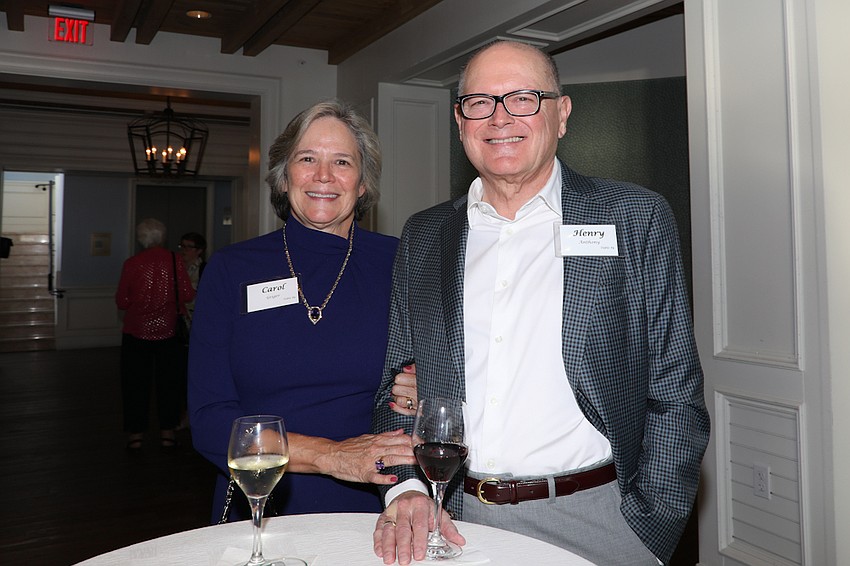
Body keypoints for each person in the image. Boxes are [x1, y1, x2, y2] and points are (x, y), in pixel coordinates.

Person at [371, 40, 710, 566]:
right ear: (461, 121)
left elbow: (675, 388)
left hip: (602, 519)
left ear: (562, 113)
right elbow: (396, 389)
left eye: (523, 97)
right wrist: (407, 488)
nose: (500, 117)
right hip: (456, 519)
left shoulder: (634, 217)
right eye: (480, 101)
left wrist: (655, 524)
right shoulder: (425, 235)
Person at [188, 100, 418, 522]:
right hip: (262, 498)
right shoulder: (231, 269)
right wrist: (331, 455)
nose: (323, 176)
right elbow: (208, 421)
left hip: (378, 504)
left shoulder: (401, 262)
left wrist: (424, 384)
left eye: (342, 162)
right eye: (307, 158)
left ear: (363, 182)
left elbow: (443, 369)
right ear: (283, 176)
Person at [116, 218, 195, 450]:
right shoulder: (175, 261)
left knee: (134, 385)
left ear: (141, 239)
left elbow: (122, 301)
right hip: (169, 332)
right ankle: (167, 432)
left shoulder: (132, 263)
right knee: (169, 384)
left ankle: (136, 435)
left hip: (135, 332)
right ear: (162, 237)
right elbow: (187, 294)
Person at [178, 231, 207, 328]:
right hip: (178, 319)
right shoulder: (175, 267)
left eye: (189, 247)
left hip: (197, 318)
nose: (184, 250)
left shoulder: (205, 269)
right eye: (182, 246)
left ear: (199, 250)